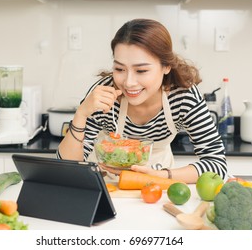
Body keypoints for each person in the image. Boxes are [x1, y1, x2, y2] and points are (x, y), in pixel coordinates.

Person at [57, 18, 227, 183]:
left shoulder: (184, 96)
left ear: (166, 66)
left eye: (141, 70)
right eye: (119, 69)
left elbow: (216, 164)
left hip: (158, 182)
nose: (128, 82)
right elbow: (66, 168)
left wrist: (159, 176)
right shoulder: (104, 94)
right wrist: (81, 114)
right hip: (109, 184)